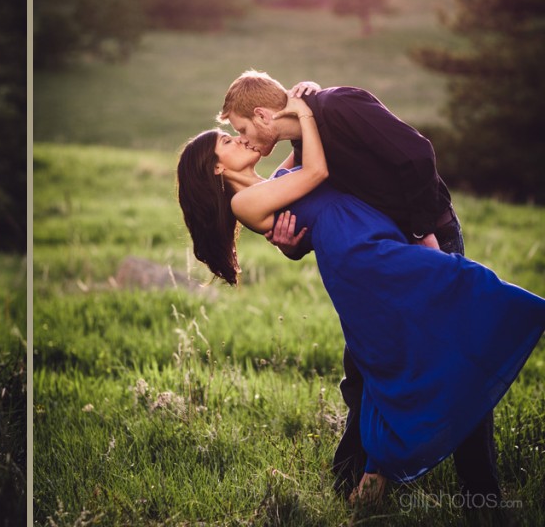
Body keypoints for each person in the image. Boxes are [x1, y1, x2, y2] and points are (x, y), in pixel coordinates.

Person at [176, 96, 545, 501]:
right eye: (228, 141)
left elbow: (299, 154)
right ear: (216, 167)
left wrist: (304, 105)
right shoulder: (243, 201)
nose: (240, 140)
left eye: (238, 132)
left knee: (391, 354)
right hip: (363, 260)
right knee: (464, 289)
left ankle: (373, 477)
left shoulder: (271, 182)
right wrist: (305, 111)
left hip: (372, 244)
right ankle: (393, 470)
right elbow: (316, 171)